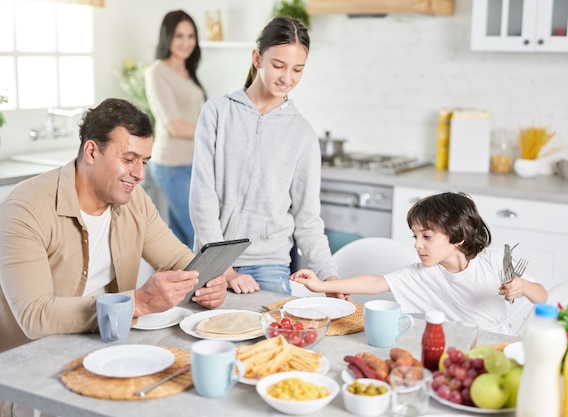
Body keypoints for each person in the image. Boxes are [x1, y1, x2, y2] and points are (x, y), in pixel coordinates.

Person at [0, 98, 228, 354]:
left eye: (144, 161)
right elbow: (35, 317)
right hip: (27, 362)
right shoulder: (24, 209)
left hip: (102, 345)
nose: (140, 174)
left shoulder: (134, 200)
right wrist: (137, 302)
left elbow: (176, 258)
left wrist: (207, 282)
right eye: (129, 159)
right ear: (91, 152)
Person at [189, 16, 344, 297]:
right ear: (257, 58)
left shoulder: (302, 134)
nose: (287, 78)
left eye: (297, 69)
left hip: (269, 264)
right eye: (278, 65)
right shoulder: (217, 113)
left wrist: (329, 277)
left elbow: (308, 219)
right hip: (212, 259)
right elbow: (202, 196)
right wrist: (224, 270)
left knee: (271, 338)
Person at [290, 192, 548, 334]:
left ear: (457, 236)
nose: (417, 244)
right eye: (415, 236)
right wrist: (319, 285)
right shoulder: (422, 273)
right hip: (447, 347)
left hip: (495, 344)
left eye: (427, 236)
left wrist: (521, 286)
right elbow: (374, 282)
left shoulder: (492, 263)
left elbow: (542, 296)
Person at [145, 10, 206, 248]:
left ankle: (192, 285)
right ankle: (200, 285)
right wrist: (216, 133)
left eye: (191, 36)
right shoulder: (158, 71)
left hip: (192, 164)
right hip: (171, 166)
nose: (186, 42)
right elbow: (174, 126)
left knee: (189, 239)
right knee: (194, 237)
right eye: (179, 36)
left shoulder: (188, 72)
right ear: (167, 37)